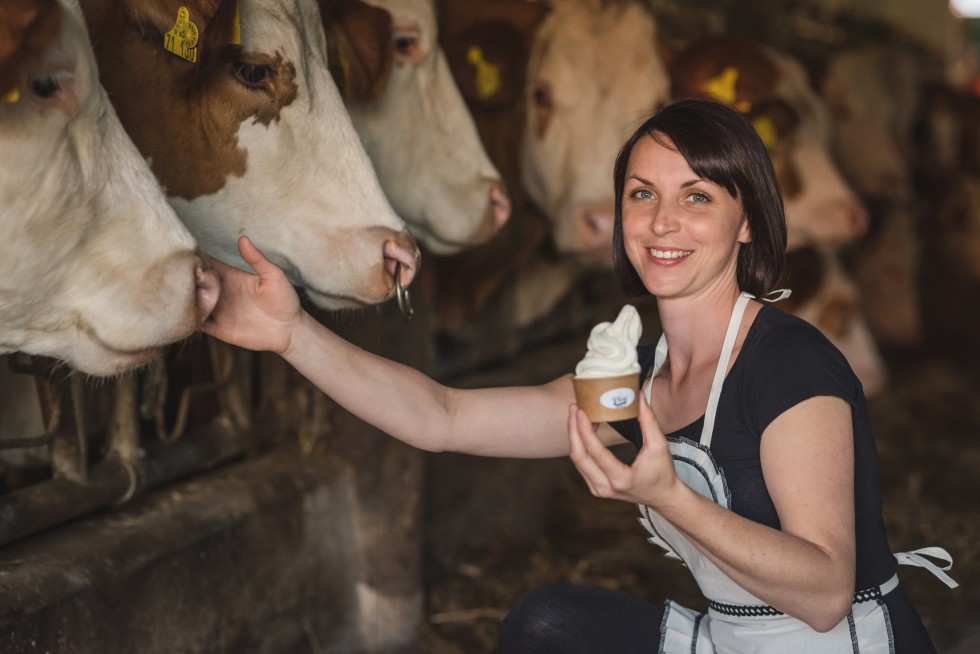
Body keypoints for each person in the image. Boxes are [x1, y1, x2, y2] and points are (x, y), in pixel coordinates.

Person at [200, 99, 952, 653]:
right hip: (731, 642)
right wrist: (292, 332)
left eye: (698, 197)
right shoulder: (635, 381)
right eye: (641, 194)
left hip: (846, 647)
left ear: (747, 220)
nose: (662, 222)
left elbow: (824, 594)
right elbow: (441, 417)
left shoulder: (790, 363)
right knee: (544, 625)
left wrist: (666, 496)